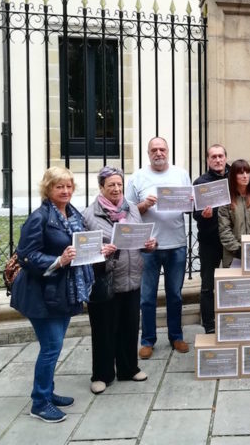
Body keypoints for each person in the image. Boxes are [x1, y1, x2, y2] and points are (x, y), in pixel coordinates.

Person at [10, 167, 94, 423]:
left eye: (68, 186)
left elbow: (79, 245)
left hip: (62, 291)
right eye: (59, 186)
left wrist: (97, 250)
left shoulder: (72, 213)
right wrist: (58, 260)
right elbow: (26, 256)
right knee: (51, 347)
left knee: (54, 347)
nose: (65, 191)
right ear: (48, 189)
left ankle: (47, 391)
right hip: (40, 293)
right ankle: (39, 402)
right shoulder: (39, 217)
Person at [83, 166, 157, 394]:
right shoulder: (89, 214)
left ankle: (128, 368)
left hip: (132, 277)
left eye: (119, 184)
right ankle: (102, 375)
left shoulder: (132, 209)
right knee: (104, 330)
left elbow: (139, 239)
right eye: (111, 185)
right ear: (101, 187)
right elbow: (84, 251)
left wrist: (149, 245)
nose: (116, 189)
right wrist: (101, 251)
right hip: (106, 280)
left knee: (129, 326)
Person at [126, 137, 192, 357]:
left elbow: (190, 206)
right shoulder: (137, 177)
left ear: (168, 151)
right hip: (147, 247)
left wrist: (192, 203)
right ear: (148, 153)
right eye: (154, 150)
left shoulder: (181, 174)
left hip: (176, 244)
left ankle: (176, 336)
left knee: (175, 295)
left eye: (162, 149)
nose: (158, 153)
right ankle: (147, 340)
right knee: (147, 297)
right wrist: (144, 205)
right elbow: (127, 212)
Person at [192, 144, 229, 334]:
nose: (217, 160)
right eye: (213, 156)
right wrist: (203, 215)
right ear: (208, 160)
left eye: (220, 156)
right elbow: (195, 213)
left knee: (233, 281)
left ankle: (232, 319)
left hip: (231, 240)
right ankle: (209, 324)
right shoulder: (200, 182)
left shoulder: (235, 176)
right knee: (208, 284)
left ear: (225, 158)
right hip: (209, 241)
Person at [218, 159, 250, 267]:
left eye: (247, 172)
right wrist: (239, 250)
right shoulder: (226, 199)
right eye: (240, 173)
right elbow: (224, 230)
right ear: (233, 176)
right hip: (234, 255)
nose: (245, 176)